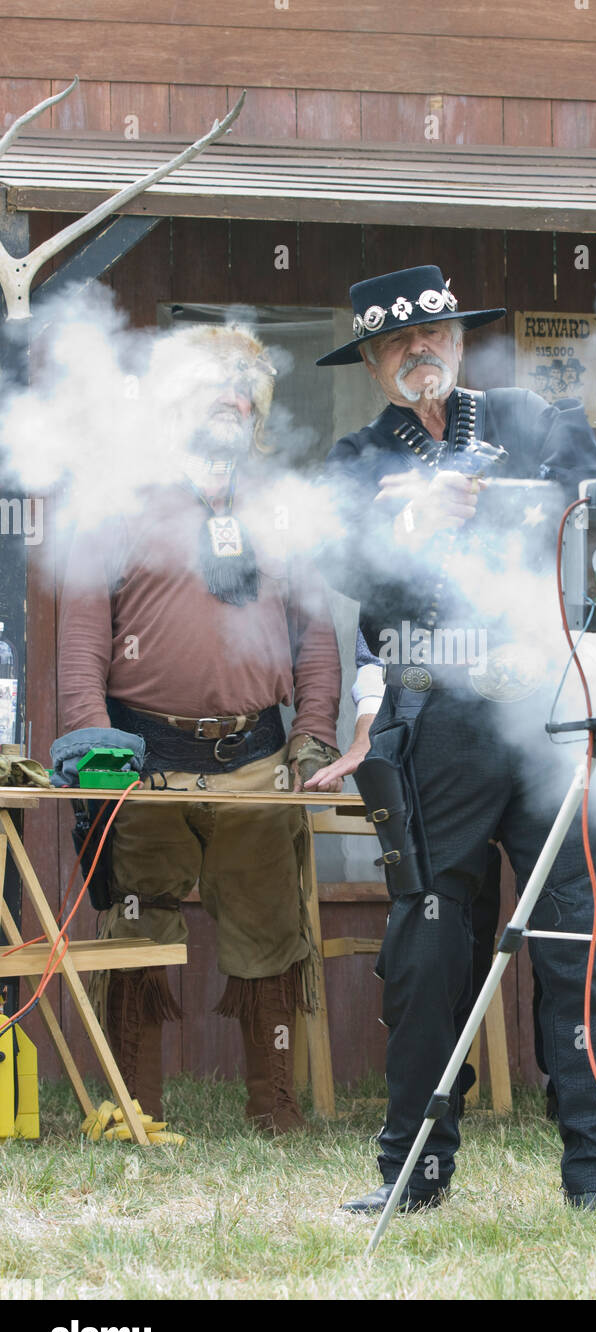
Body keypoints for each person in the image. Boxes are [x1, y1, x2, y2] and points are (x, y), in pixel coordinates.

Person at [315, 265, 596, 1212]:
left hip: (543, 713)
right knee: (426, 946)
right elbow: (333, 558)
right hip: (432, 717)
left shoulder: (537, 421)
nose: (423, 354)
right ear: (374, 363)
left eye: (436, 336)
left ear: (457, 339)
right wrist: (406, 516)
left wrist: (539, 515)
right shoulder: (359, 458)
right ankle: (415, 1172)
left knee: (573, 947)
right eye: (399, 345)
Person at [56, 324, 343, 1133]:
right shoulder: (115, 501)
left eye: (245, 386)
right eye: (210, 382)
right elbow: (82, 640)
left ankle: (275, 1110)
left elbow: (315, 637)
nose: (231, 396)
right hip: (147, 763)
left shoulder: (287, 507)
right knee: (138, 932)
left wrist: (310, 736)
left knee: (269, 936)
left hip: (258, 761)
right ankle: (136, 1109)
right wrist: (91, 742)